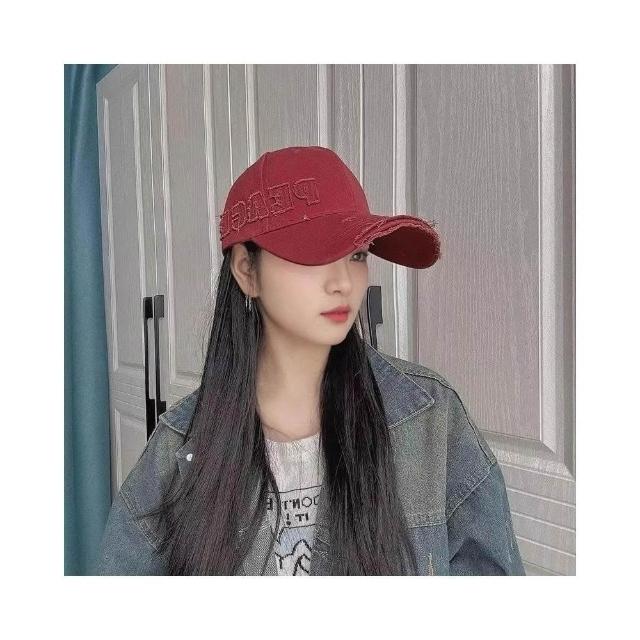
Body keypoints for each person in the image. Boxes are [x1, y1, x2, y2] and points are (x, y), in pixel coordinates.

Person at [95, 145, 525, 576]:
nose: (343, 283)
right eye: (315, 252)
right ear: (246, 270)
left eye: (357, 254)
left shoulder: (429, 420)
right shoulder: (179, 449)